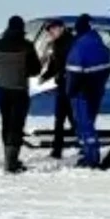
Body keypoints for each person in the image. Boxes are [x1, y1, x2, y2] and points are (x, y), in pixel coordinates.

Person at [0, 15, 41, 172]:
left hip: (2, 90)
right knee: (16, 125)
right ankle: (12, 162)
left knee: (6, 124)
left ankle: (8, 158)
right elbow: (36, 69)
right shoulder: (27, 46)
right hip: (19, 90)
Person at [65, 14, 110, 167]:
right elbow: (107, 68)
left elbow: (74, 73)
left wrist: (70, 92)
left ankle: (91, 156)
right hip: (97, 90)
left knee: (84, 124)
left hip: (82, 93)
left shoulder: (79, 47)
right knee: (90, 121)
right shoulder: (99, 43)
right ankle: (89, 152)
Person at [38, 19, 76, 158]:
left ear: (61, 28)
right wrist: (45, 76)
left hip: (71, 85)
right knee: (59, 119)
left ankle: (83, 145)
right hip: (62, 85)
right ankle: (57, 149)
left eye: (52, 29)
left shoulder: (71, 42)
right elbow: (54, 65)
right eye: (49, 30)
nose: (50, 32)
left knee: (72, 117)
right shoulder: (56, 44)